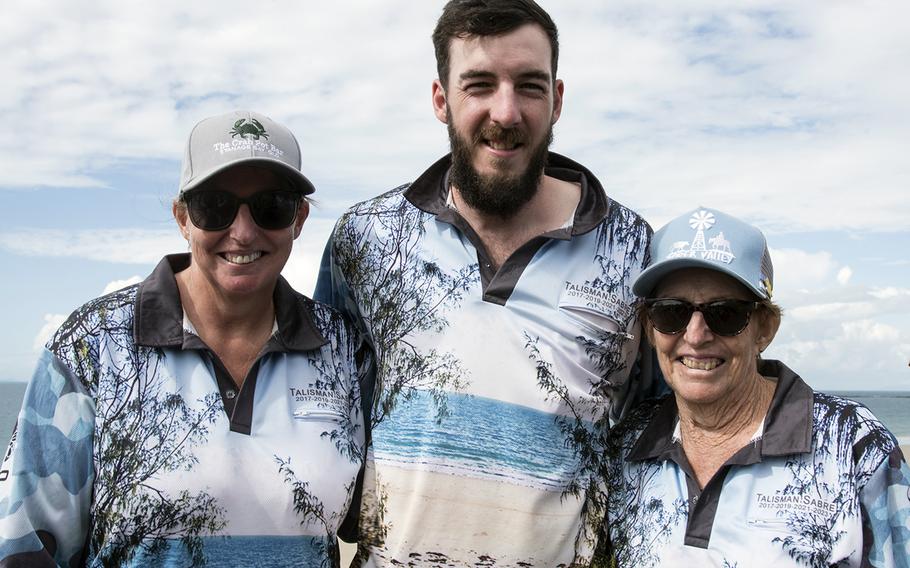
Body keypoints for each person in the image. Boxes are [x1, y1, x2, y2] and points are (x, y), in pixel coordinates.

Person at [314, 1, 655, 565]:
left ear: (558, 98)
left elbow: (657, 439)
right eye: (479, 85)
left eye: (529, 85)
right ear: (441, 99)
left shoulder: (631, 247)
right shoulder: (366, 238)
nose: (507, 111)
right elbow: (326, 422)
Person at [0, 110, 365, 566]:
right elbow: (25, 547)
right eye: (215, 205)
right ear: (182, 217)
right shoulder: (91, 345)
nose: (244, 231)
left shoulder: (344, 349)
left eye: (272, 206)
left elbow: (368, 521)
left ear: (300, 218)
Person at [605, 206, 910, 566]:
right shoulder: (628, 445)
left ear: (765, 328)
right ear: (650, 328)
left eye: (726, 313)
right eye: (671, 312)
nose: (696, 335)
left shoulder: (853, 445)